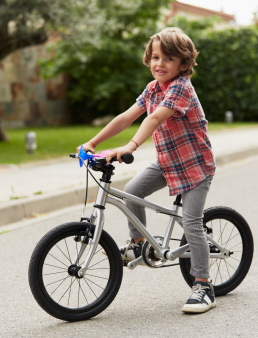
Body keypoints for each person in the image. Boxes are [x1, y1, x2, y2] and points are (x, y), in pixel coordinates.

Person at [78, 27, 216, 313]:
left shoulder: (181, 88)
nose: (159, 64)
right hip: (167, 162)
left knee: (191, 222)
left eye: (168, 58)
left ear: (183, 63)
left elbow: (154, 118)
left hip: (194, 166)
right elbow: (127, 116)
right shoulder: (152, 89)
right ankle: (140, 244)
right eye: (155, 57)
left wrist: (130, 146)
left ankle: (203, 285)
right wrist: (92, 142)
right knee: (132, 191)